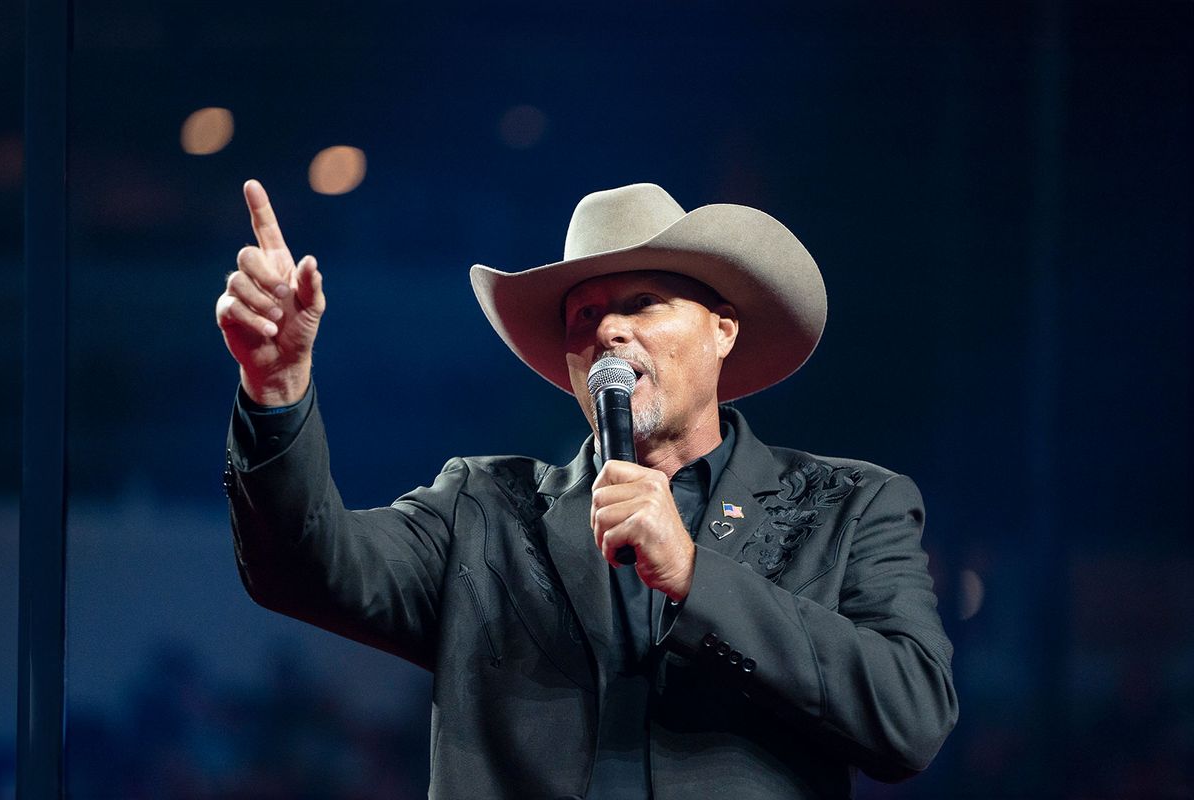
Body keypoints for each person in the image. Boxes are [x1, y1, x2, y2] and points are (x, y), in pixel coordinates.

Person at [217, 179, 958, 799]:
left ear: (723, 328)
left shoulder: (847, 506)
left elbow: (911, 716)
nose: (608, 332)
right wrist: (277, 391)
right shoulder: (483, 510)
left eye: (640, 304)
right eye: (585, 315)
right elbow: (303, 563)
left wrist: (699, 581)